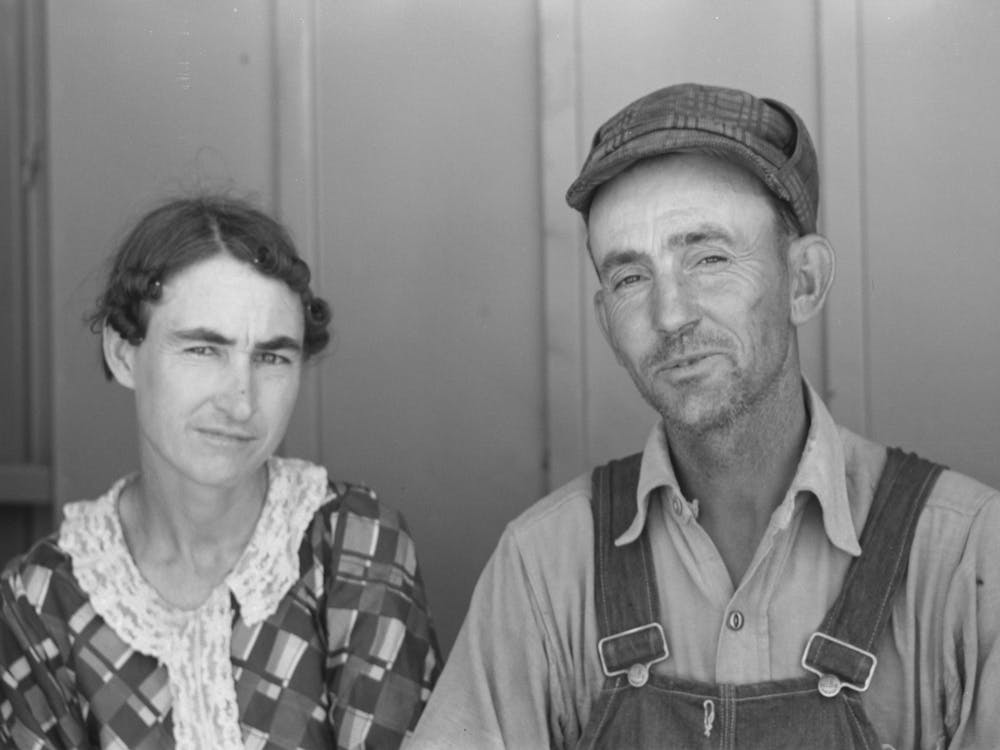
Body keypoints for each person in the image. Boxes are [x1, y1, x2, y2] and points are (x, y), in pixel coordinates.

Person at [410, 83, 1000, 749]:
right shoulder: (544, 567)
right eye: (631, 278)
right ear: (606, 323)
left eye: (709, 259)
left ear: (803, 281)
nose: (670, 315)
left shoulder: (968, 556)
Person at [0, 196, 440, 749]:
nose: (241, 401)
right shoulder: (41, 598)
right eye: (204, 349)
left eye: (272, 357)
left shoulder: (355, 547)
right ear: (123, 353)